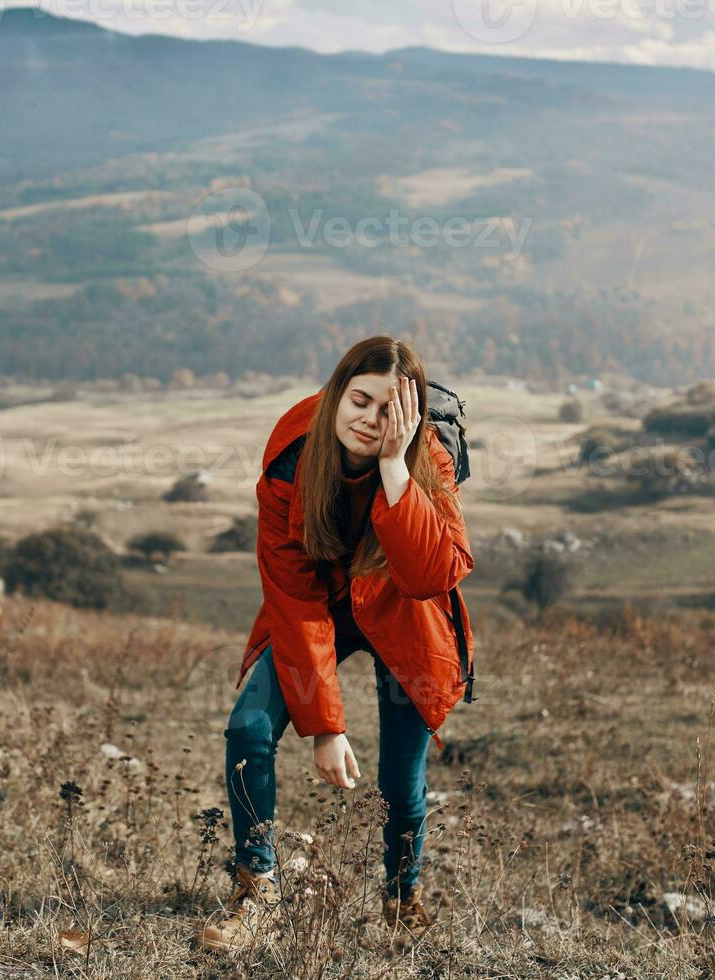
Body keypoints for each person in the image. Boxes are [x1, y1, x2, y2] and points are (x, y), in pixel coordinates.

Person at [198, 336, 475, 952]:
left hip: (402, 610)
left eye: (390, 409)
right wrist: (325, 724)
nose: (370, 419)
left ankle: (402, 896)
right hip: (318, 605)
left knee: (400, 779)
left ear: (413, 414)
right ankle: (258, 890)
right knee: (248, 727)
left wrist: (397, 467)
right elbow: (292, 599)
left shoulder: (429, 456)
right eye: (359, 399)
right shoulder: (292, 456)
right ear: (334, 393)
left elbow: (433, 575)